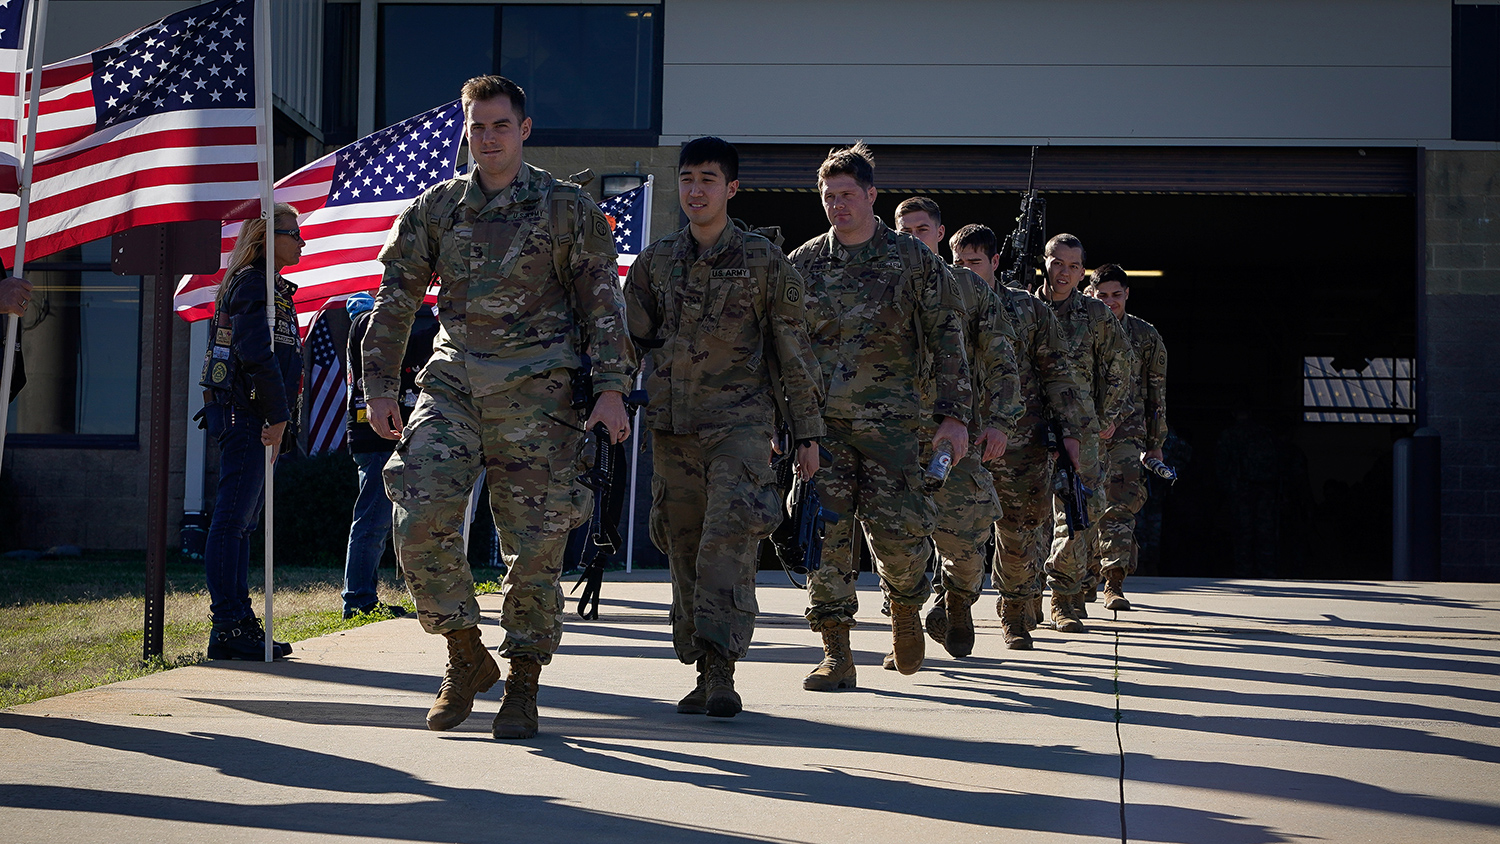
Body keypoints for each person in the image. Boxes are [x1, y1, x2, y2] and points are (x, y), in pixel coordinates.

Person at [363, 75, 635, 740]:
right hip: (454, 381)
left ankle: (522, 683)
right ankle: (464, 654)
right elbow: (395, 295)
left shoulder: (568, 209)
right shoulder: (435, 209)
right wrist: (376, 384)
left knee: (535, 548)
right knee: (419, 511)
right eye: (476, 125)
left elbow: (603, 301)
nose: (487, 137)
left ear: (524, 130)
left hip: (541, 392)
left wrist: (610, 388)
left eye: (500, 125)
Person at [625, 137, 825, 717]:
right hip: (673, 427)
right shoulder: (655, 261)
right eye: (687, 178)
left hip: (741, 424)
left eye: (708, 179)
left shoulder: (764, 261)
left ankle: (722, 667)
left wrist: (806, 434)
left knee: (725, 542)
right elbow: (626, 339)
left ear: (731, 189)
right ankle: (700, 662)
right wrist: (610, 397)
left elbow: (794, 350)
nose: (695, 190)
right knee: (683, 546)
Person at [789, 143, 971, 689]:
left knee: (901, 538)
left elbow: (948, 335)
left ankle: (906, 611)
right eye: (829, 196)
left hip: (898, 429)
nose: (837, 205)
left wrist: (954, 416)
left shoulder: (913, 260)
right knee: (826, 537)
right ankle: (836, 653)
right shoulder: (804, 263)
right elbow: (786, 349)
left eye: (848, 194)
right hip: (825, 431)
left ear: (871, 196)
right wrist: (790, 425)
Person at [892, 199, 1020, 660]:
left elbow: (1002, 360)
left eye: (920, 229)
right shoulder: (882, 284)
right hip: (893, 437)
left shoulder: (968, 288)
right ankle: (902, 627)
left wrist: (1001, 422)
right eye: (902, 229)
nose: (911, 238)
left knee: (966, 545)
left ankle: (958, 603)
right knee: (896, 543)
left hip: (955, 438)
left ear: (940, 234)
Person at [951, 224, 1088, 648]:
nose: (965, 271)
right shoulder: (941, 304)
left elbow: (1058, 374)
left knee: (1018, 531)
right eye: (958, 262)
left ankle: (1013, 612)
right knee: (955, 529)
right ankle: (953, 606)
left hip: (1020, 441)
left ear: (994, 263)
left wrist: (1070, 434)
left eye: (974, 262)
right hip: (957, 437)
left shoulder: (1028, 310)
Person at [197, 203, 304, 660]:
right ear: (267, 237)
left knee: (242, 523)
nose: (302, 242)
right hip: (247, 416)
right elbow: (256, 355)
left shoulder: (269, 288)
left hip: (257, 417)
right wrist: (277, 417)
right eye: (293, 233)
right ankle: (228, 625)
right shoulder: (249, 284)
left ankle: (238, 622)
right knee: (232, 521)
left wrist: (281, 419)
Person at [1035, 234, 1133, 632]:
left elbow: (1121, 365)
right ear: (1045, 262)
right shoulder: (1022, 306)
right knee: (1026, 519)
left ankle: (1064, 598)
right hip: (1029, 428)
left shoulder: (1094, 314)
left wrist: (1105, 416)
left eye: (1074, 266)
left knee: (1077, 516)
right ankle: (1022, 601)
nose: (1065, 273)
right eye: (1058, 263)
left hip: (1081, 430)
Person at [340, 291, 437, 619]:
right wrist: (443, 325)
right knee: (372, 520)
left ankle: (365, 595)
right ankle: (357, 600)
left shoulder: (373, 324)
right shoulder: (368, 323)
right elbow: (410, 347)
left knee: (382, 522)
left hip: (386, 435)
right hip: (376, 437)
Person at [1087, 265, 1167, 610]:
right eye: (1102, 296)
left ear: (1127, 294)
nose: (1110, 302)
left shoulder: (1146, 336)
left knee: (1120, 504)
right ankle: (1083, 576)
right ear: (1091, 295)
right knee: (1083, 507)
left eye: (1116, 295)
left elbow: (1156, 393)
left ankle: (1113, 582)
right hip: (1084, 430)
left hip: (1127, 432)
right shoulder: (1078, 330)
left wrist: (1156, 443)